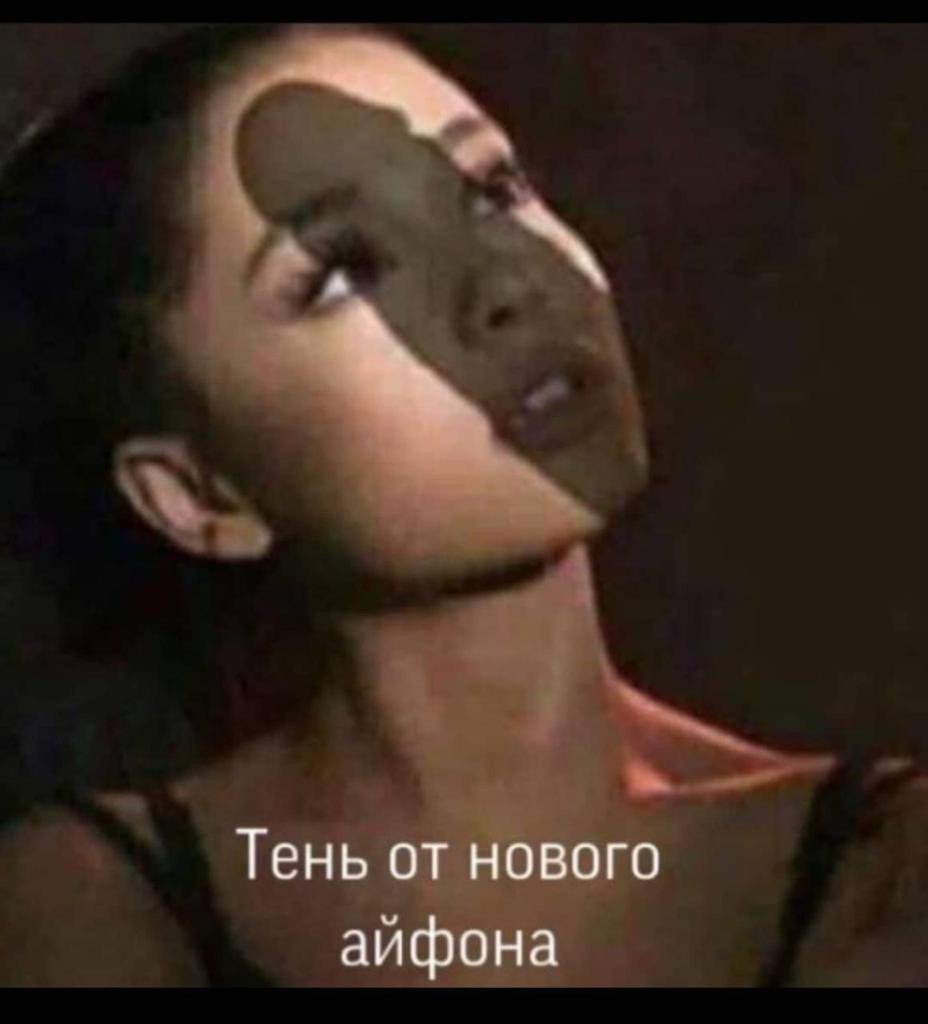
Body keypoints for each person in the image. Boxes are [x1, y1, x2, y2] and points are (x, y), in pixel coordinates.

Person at [0, 22, 925, 988]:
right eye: (346, 270)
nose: (507, 285)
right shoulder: (92, 900)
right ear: (199, 496)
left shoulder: (887, 868)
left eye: (491, 190)